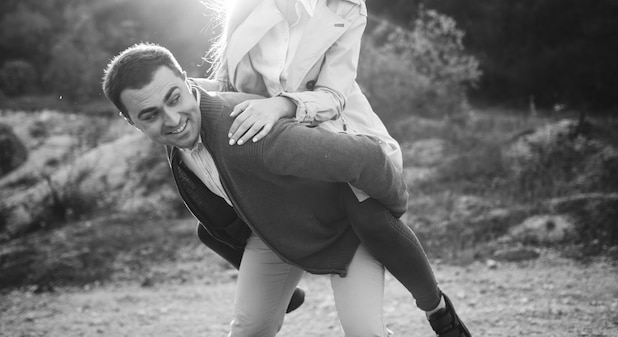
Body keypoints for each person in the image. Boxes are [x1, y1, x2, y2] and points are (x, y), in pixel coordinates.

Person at [203, 0, 472, 336]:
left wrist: (283, 105)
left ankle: (437, 308)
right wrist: (181, 92)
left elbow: (334, 93)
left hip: (338, 143)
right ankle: (277, 277)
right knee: (243, 310)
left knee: (364, 313)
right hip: (277, 163)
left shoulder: (345, 4)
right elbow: (228, 84)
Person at [103, 43, 470, 337]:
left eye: (173, 98)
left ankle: (441, 314)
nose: (172, 120)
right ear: (130, 120)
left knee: (364, 333)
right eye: (149, 115)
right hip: (276, 236)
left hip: (344, 231)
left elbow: (365, 157)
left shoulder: (246, 133)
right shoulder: (179, 136)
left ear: (186, 82)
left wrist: (389, 211)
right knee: (248, 331)